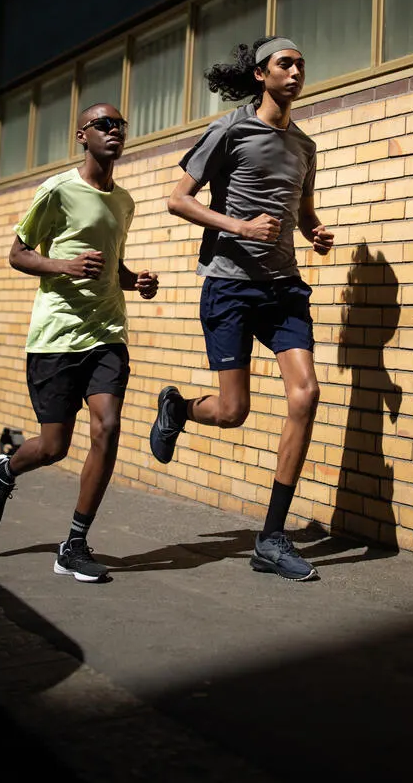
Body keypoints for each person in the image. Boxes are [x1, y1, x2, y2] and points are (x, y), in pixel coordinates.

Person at [149, 36, 333, 581]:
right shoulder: (230, 129)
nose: (297, 70)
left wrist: (314, 231)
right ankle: (178, 409)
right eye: (285, 63)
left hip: (283, 287)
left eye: (302, 62)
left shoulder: (304, 145)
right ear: (260, 75)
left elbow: (302, 209)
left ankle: (271, 538)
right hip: (229, 285)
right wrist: (240, 226)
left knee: (307, 393)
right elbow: (177, 198)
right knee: (233, 413)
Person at [0, 102, 158, 582]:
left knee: (108, 426)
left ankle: (75, 543)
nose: (114, 130)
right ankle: (5, 471)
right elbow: (18, 254)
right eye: (104, 124)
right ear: (83, 135)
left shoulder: (125, 201)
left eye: (120, 124)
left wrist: (134, 281)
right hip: (56, 336)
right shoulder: (57, 190)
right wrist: (63, 266)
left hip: (107, 334)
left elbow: (113, 267)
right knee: (54, 447)